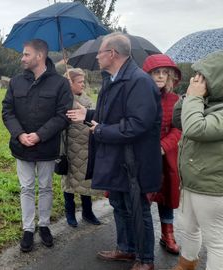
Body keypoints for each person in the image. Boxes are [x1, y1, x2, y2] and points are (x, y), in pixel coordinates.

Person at [66, 32, 162, 270]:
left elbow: (138, 124)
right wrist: (87, 115)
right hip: (117, 159)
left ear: (112, 54)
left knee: (137, 209)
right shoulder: (111, 79)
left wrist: (100, 131)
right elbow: (110, 114)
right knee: (119, 205)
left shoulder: (139, 81)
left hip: (134, 160)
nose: (97, 57)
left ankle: (146, 260)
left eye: (100, 52)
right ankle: (126, 249)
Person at [2, 39, 73, 252]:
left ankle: (43, 225)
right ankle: (28, 228)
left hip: (47, 147)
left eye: (26, 54)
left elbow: (63, 115)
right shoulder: (15, 82)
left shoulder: (60, 84)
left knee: (45, 187)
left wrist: (40, 135)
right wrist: (20, 134)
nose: (22, 58)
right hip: (21, 146)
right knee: (26, 188)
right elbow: (7, 111)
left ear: (39, 56)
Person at [171, 50, 223, 270]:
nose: (198, 80)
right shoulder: (208, 102)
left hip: (211, 187)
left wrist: (194, 97)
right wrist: (189, 96)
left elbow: (195, 128)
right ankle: (186, 265)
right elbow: (178, 121)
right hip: (192, 181)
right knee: (189, 228)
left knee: (217, 242)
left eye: (204, 76)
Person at [142, 54, 182, 255]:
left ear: (170, 77)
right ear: (147, 75)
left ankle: (168, 234)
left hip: (165, 156)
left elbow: (178, 129)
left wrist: (163, 146)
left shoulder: (175, 100)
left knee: (167, 195)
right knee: (143, 197)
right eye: (156, 72)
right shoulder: (138, 97)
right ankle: (141, 238)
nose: (160, 76)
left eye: (164, 73)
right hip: (143, 156)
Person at [62, 68, 102, 227]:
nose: (83, 84)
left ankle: (87, 212)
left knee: (86, 181)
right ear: (69, 83)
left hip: (87, 146)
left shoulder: (88, 100)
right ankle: (69, 212)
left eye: (83, 81)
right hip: (71, 147)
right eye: (79, 82)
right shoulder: (63, 100)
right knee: (69, 182)